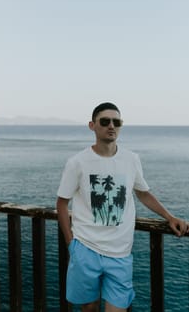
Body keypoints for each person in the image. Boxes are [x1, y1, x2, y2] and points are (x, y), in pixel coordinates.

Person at [56, 102, 189, 312]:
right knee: (88, 307)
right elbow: (62, 204)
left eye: (116, 122)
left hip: (120, 253)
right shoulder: (78, 162)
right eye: (105, 121)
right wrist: (71, 245)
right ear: (92, 125)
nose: (111, 126)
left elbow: (143, 193)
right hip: (85, 248)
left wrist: (169, 217)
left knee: (117, 308)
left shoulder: (131, 159)